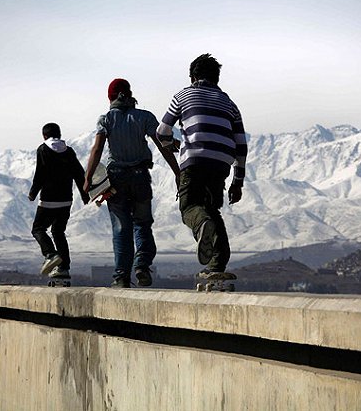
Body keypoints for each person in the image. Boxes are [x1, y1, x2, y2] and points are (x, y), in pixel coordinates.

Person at [156, 54, 247, 278]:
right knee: (211, 208)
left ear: (192, 76)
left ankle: (201, 225)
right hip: (221, 164)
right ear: (216, 78)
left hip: (194, 160)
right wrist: (237, 182)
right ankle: (217, 264)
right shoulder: (229, 103)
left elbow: (162, 131)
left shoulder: (183, 96)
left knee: (190, 208)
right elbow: (242, 146)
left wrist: (171, 143)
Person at [84, 78, 180, 288]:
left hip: (116, 179)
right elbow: (163, 145)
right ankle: (142, 266)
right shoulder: (144, 117)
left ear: (110, 97)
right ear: (129, 94)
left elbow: (97, 149)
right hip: (140, 177)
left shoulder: (106, 119)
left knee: (121, 227)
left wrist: (88, 178)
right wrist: (177, 172)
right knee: (142, 223)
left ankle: (121, 276)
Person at [29, 122, 89, 279]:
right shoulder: (68, 151)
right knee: (58, 232)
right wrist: (84, 194)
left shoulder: (43, 149)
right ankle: (63, 268)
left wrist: (33, 192)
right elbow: (78, 173)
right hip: (65, 200)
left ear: (44, 136)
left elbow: (40, 173)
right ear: (60, 135)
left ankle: (50, 254)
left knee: (38, 229)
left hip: (48, 199)